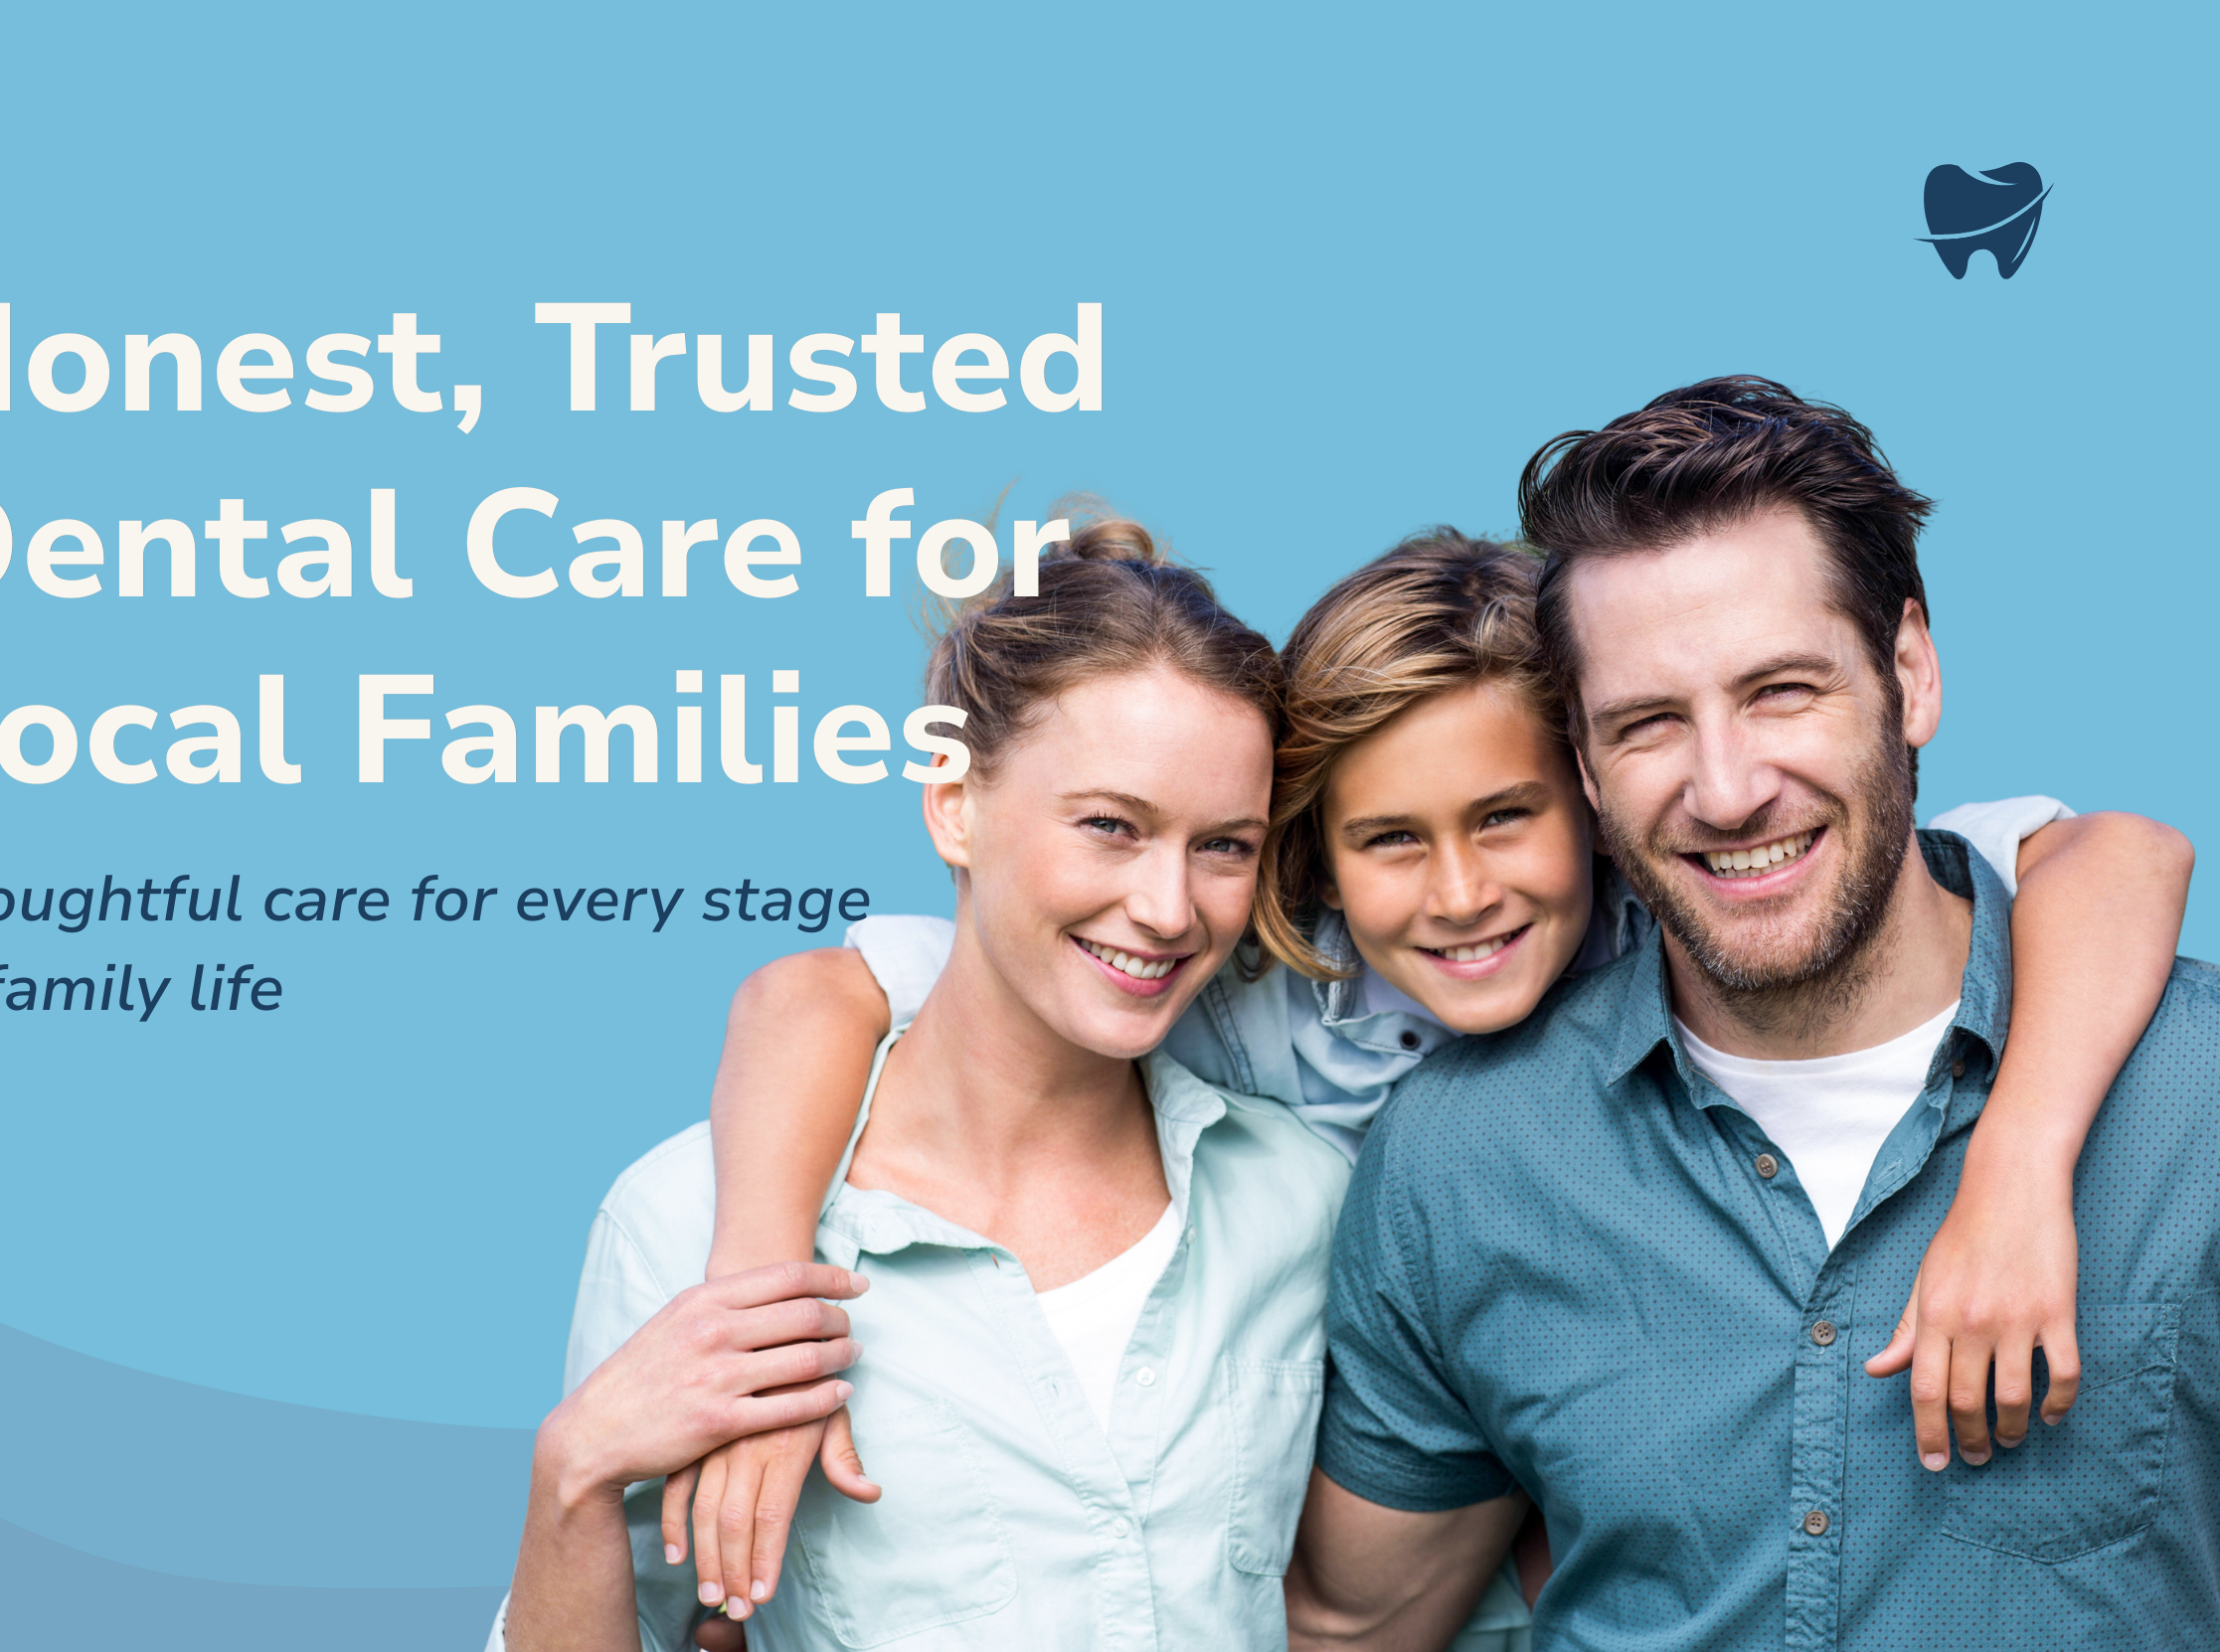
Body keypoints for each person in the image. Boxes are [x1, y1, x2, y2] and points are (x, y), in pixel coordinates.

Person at [673, 521, 2190, 1639]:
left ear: (1590, 798)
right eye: (1393, 840)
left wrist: (2018, 1162)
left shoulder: (1729, 891)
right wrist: (753, 1305)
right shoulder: (1229, 998)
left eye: (1508, 816)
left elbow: (2126, 852)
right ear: (1316, 867)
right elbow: (817, 991)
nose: (1461, 893)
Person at [1287, 377, 2216, 1649]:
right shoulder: (1460, 1162)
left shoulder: (2193, 1092)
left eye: (1780, 690)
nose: (1725, 791)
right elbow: (1355, 1623)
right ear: (1584, 763)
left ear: (1909, 671)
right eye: (1648, 722)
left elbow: (2121, 850)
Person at [498, 522, 1356, 1651]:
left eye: (1224, 846)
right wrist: (569, 1474)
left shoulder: (1301, 1197)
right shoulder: (685, 1225)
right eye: (1109, 825)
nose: (1167, 906)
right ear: (952, 803)